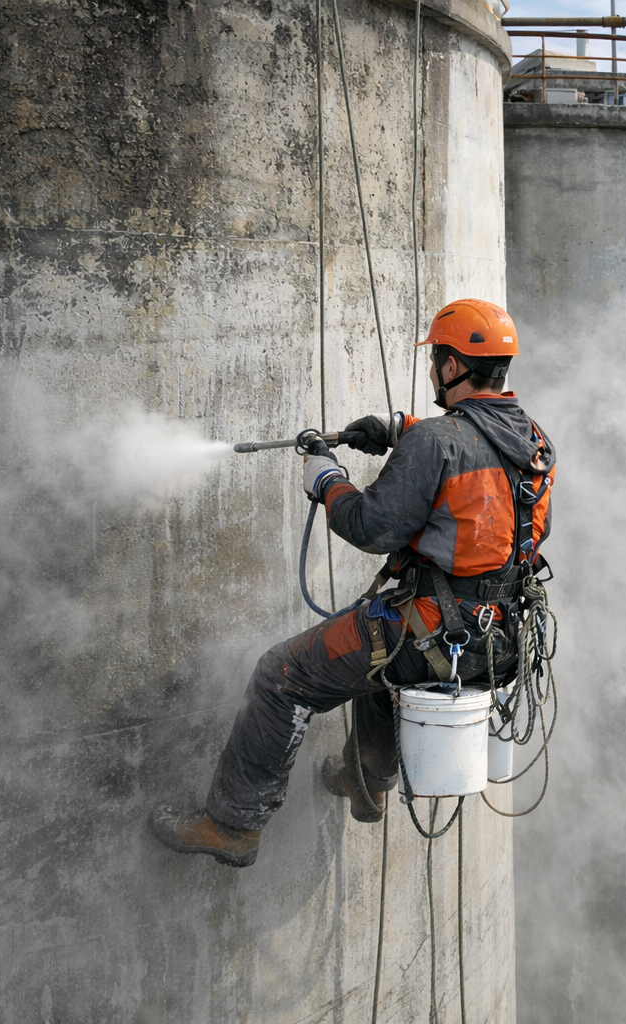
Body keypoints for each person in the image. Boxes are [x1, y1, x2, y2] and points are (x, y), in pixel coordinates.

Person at [150, 298, 556, 866]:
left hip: (432, 634)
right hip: (501, 638)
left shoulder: (437, 443)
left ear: (451, 364)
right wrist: (396, 430)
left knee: (281, 676)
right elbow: (475, 447)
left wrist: (329, 480)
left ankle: (233, 825)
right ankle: (368, 781)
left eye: (437, 359)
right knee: (377, 661)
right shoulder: (534, 441)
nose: (434, 369)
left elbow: (370, 526)